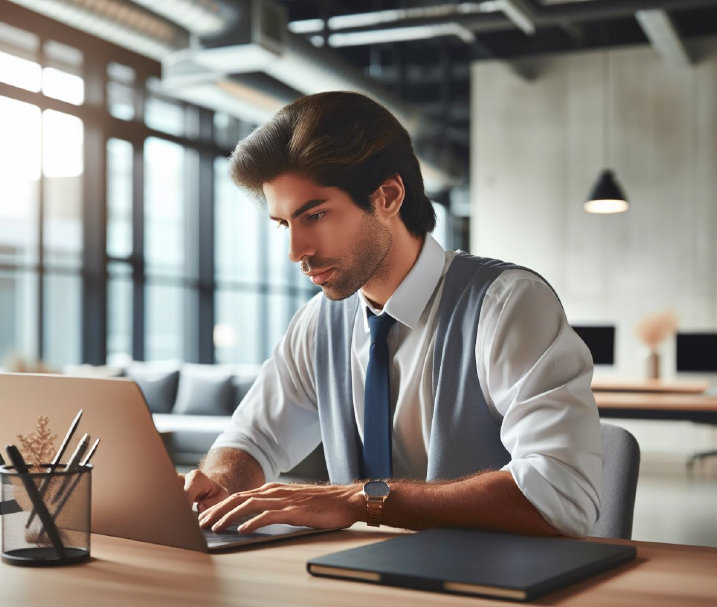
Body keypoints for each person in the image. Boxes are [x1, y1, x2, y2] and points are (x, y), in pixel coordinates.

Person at [183, 91, 602, 538]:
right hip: (357, 577)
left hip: (492, 585)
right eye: (285, 224)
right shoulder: (317, 324)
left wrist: (361, 500)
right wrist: (223, 481)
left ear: (387, 196)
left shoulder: (508, 305)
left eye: (317, 215)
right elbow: (253, 439)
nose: (295, 251)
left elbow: (561, 498)